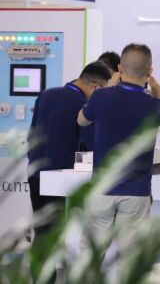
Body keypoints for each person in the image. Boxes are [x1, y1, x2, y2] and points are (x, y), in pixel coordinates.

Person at [77, 43, 160, 260]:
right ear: (150, 72)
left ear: (119, 68)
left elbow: (81, 120)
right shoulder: (154, 103)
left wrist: (108, 87)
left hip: (102, 189)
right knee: (130, 260)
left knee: (89, 259)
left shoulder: (101, 97)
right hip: (137, 192)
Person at [27, 61, 112, 244]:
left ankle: (40, 264)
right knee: (60, 234)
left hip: (35, 171)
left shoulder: (46, 94)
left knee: (42, 232)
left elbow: (31, 134)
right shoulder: (84, 106)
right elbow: (89, 144)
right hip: (62, 177)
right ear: (96, 87)